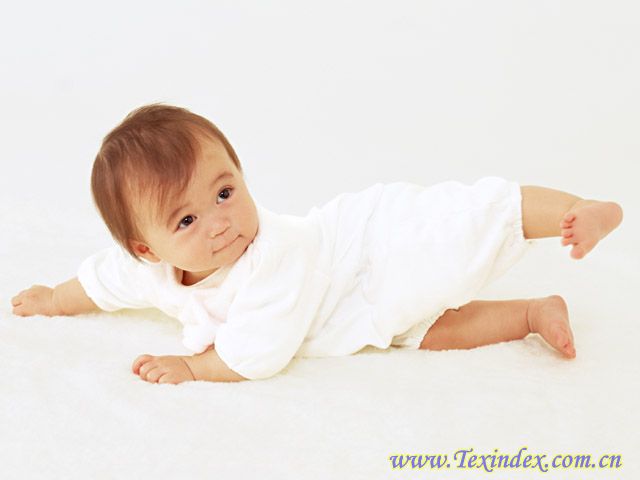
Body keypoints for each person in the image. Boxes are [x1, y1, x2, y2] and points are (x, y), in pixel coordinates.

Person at [10, 104, 624, 384]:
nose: (220, 222)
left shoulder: (271, 254)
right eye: (187, 220)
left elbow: (256, 356)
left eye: (224, 192)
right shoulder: (145, 270)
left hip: (362, 248)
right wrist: (56, 299)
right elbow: (102, 280)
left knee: (458, 223)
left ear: (240, 173)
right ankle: (531, 313)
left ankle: (578, 210)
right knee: (427, 331)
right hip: (349, 313)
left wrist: (193, 367)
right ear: (147, 249)